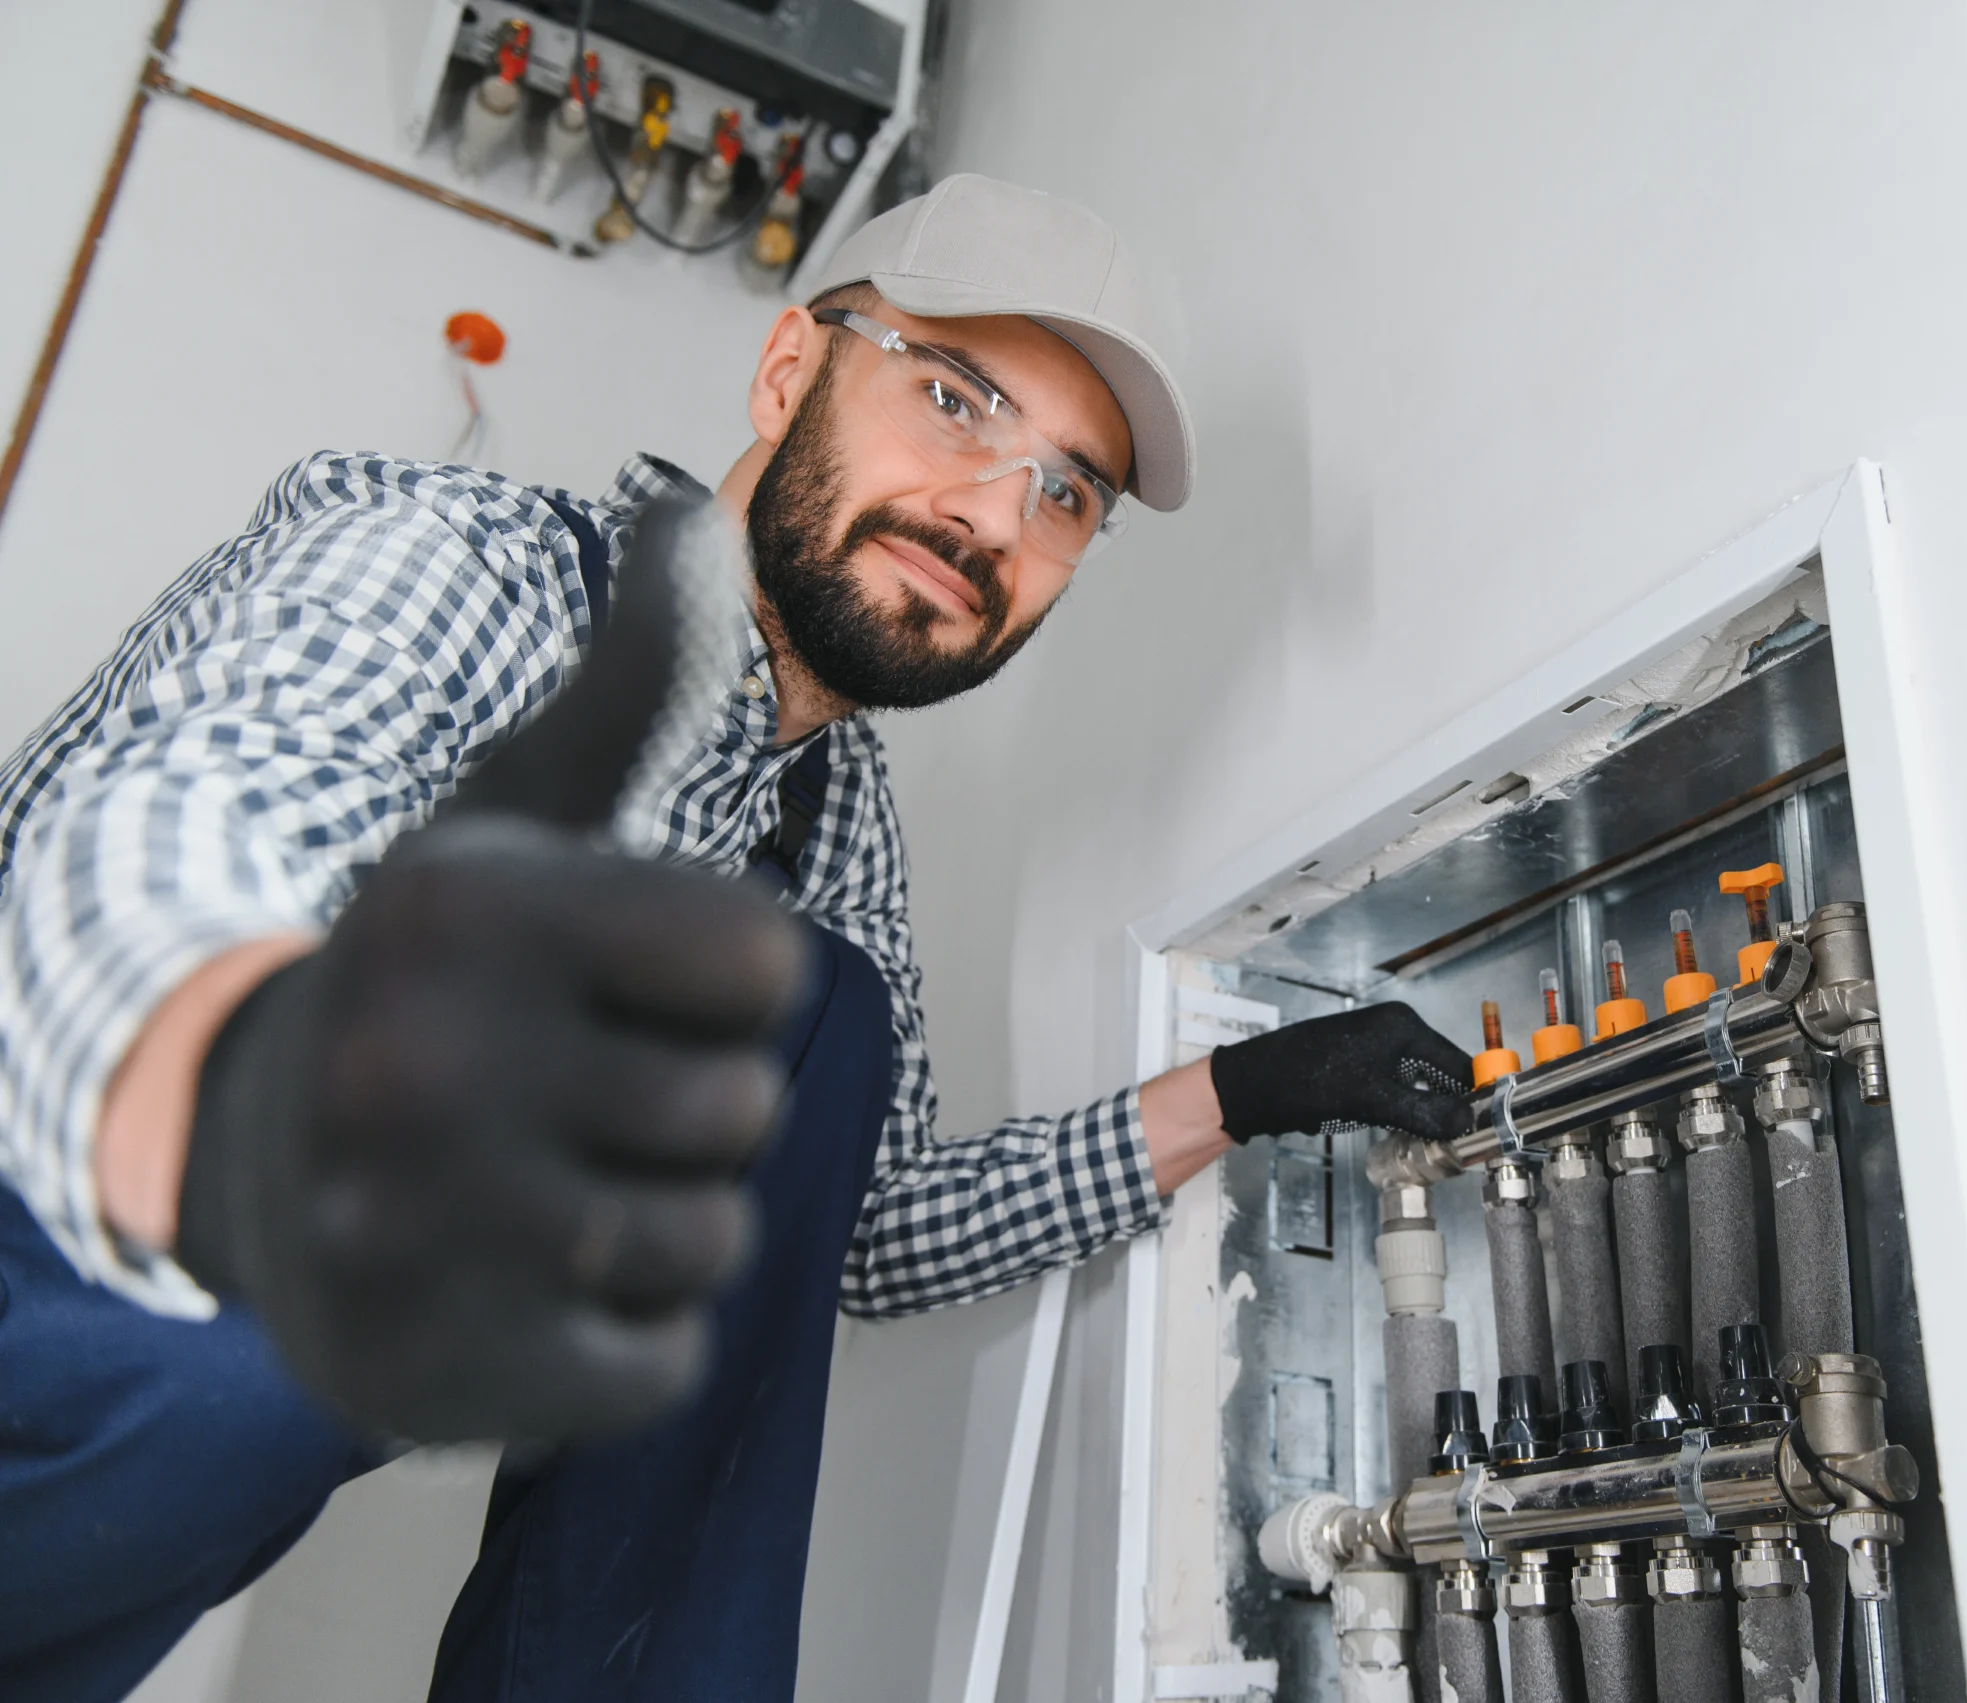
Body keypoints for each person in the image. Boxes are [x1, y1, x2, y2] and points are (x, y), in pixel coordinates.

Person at [0, 173, 1476, 1701]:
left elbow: (861, 1228)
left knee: (810, 1015)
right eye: (956, 397)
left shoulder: (831, 823)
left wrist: (1249, 1089)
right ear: (788, 374)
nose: (992, 514)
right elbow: (170, 864)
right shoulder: (464, 569)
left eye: (1065, 491)